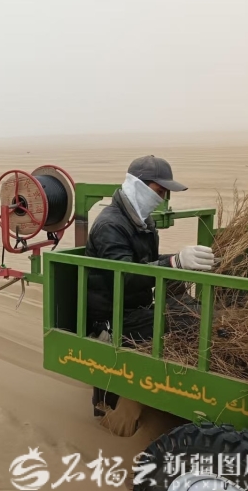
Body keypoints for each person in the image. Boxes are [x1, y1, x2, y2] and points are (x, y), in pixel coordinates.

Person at [85, 155, 216, 415]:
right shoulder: (110, 225)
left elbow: (145, 263)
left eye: (165, 193)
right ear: (137, 185)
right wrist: (174, 263)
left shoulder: (143, 220)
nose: (162, 198)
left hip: (136, 307)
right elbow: (124, 276)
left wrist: (177, 260)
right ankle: (108, 408)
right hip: (114, 317)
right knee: (189, 322)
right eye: (159, 191)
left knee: (193, 311)